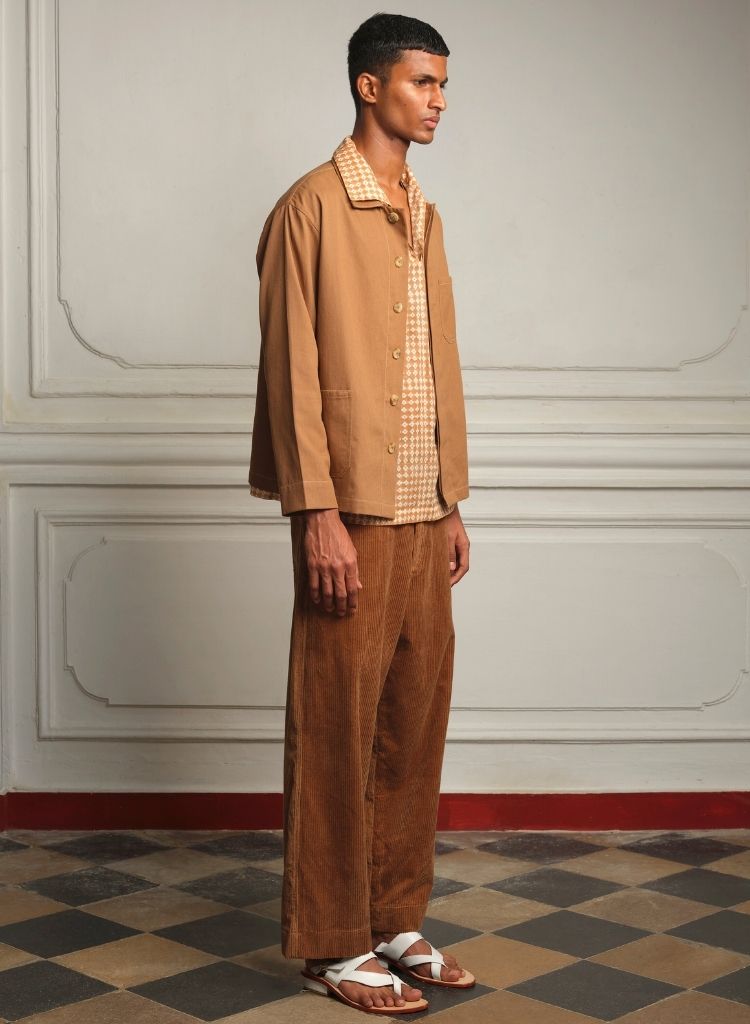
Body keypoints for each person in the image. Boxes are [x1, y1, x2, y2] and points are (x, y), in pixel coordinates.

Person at [248, 12, 473, 1015]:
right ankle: (334, 943)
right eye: (423, 82)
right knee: (337, 730)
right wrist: (316, 512)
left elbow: (434, 364)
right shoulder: (309, 207)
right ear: (369, 86)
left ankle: (395, 916)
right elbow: (291, 372)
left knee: (412, 727)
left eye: (444, 84)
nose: (438, 101)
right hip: (351, 513)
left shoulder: (424, 211)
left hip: (425, 510)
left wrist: (451, 498)